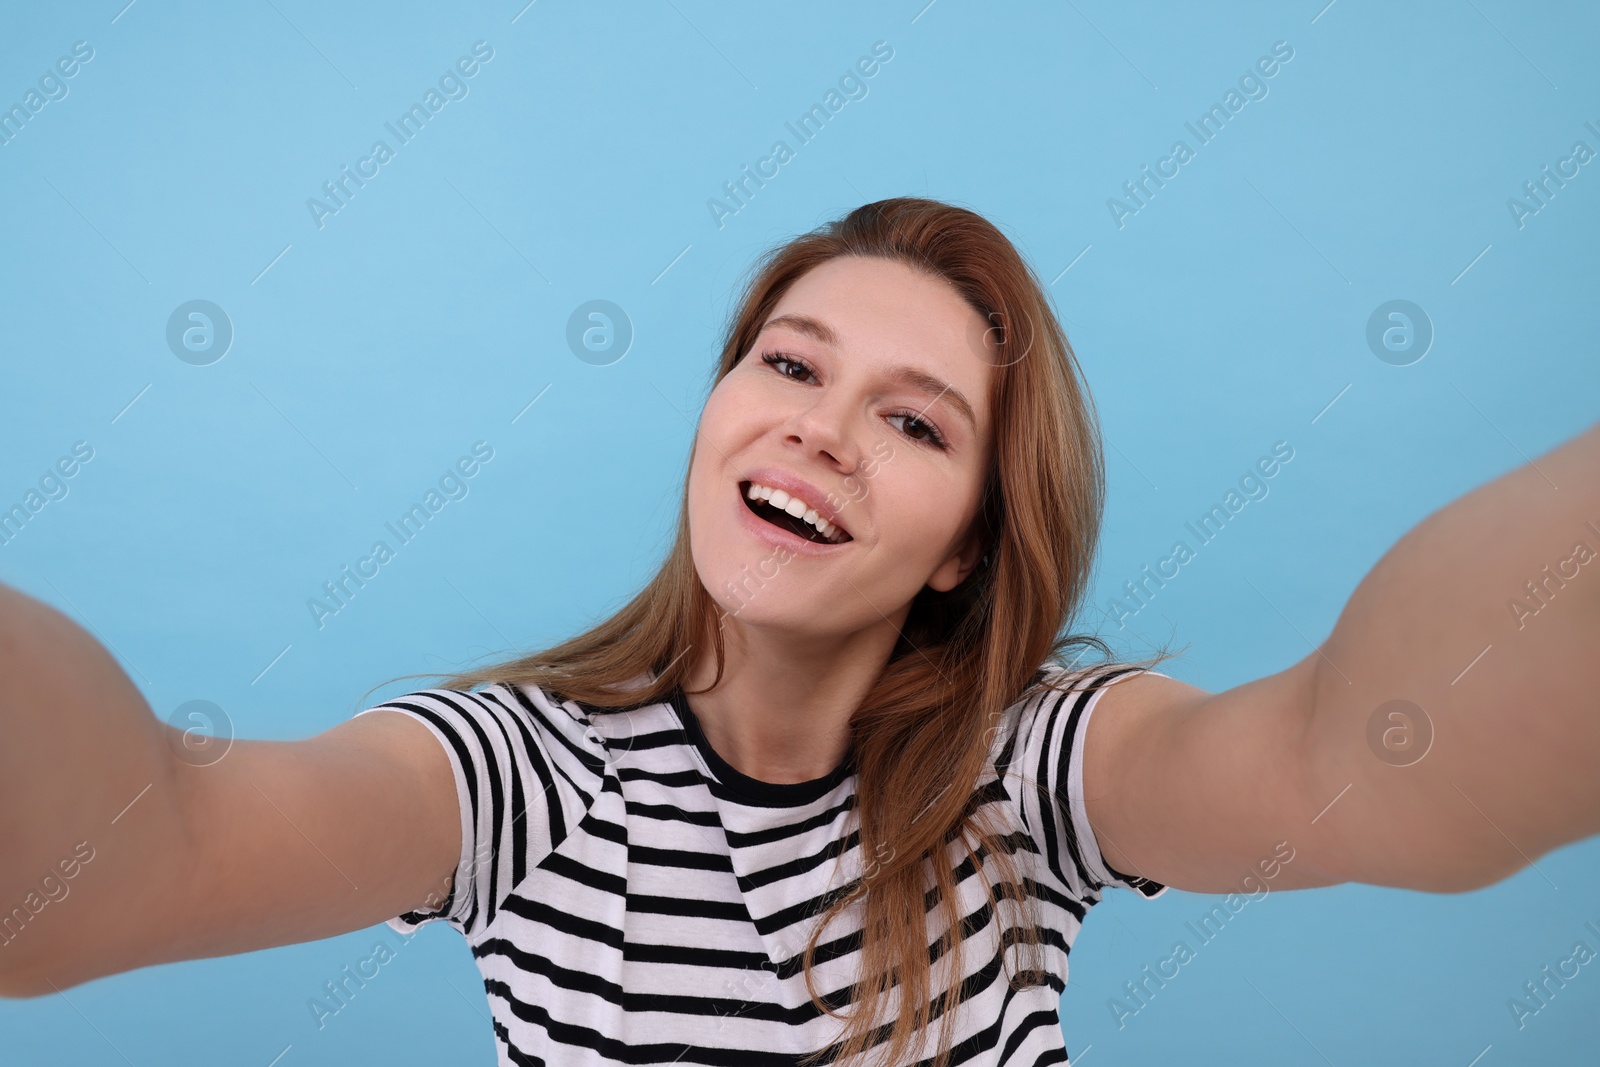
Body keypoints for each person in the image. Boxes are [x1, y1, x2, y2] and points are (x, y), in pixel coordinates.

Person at [0, 197, 1595, 1067]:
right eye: (786, 364)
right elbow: (149, 852)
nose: (820, 431)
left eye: (912, 423)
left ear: (969, 543)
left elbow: (1358, 761)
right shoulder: (518, 771)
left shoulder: (1025, 767)